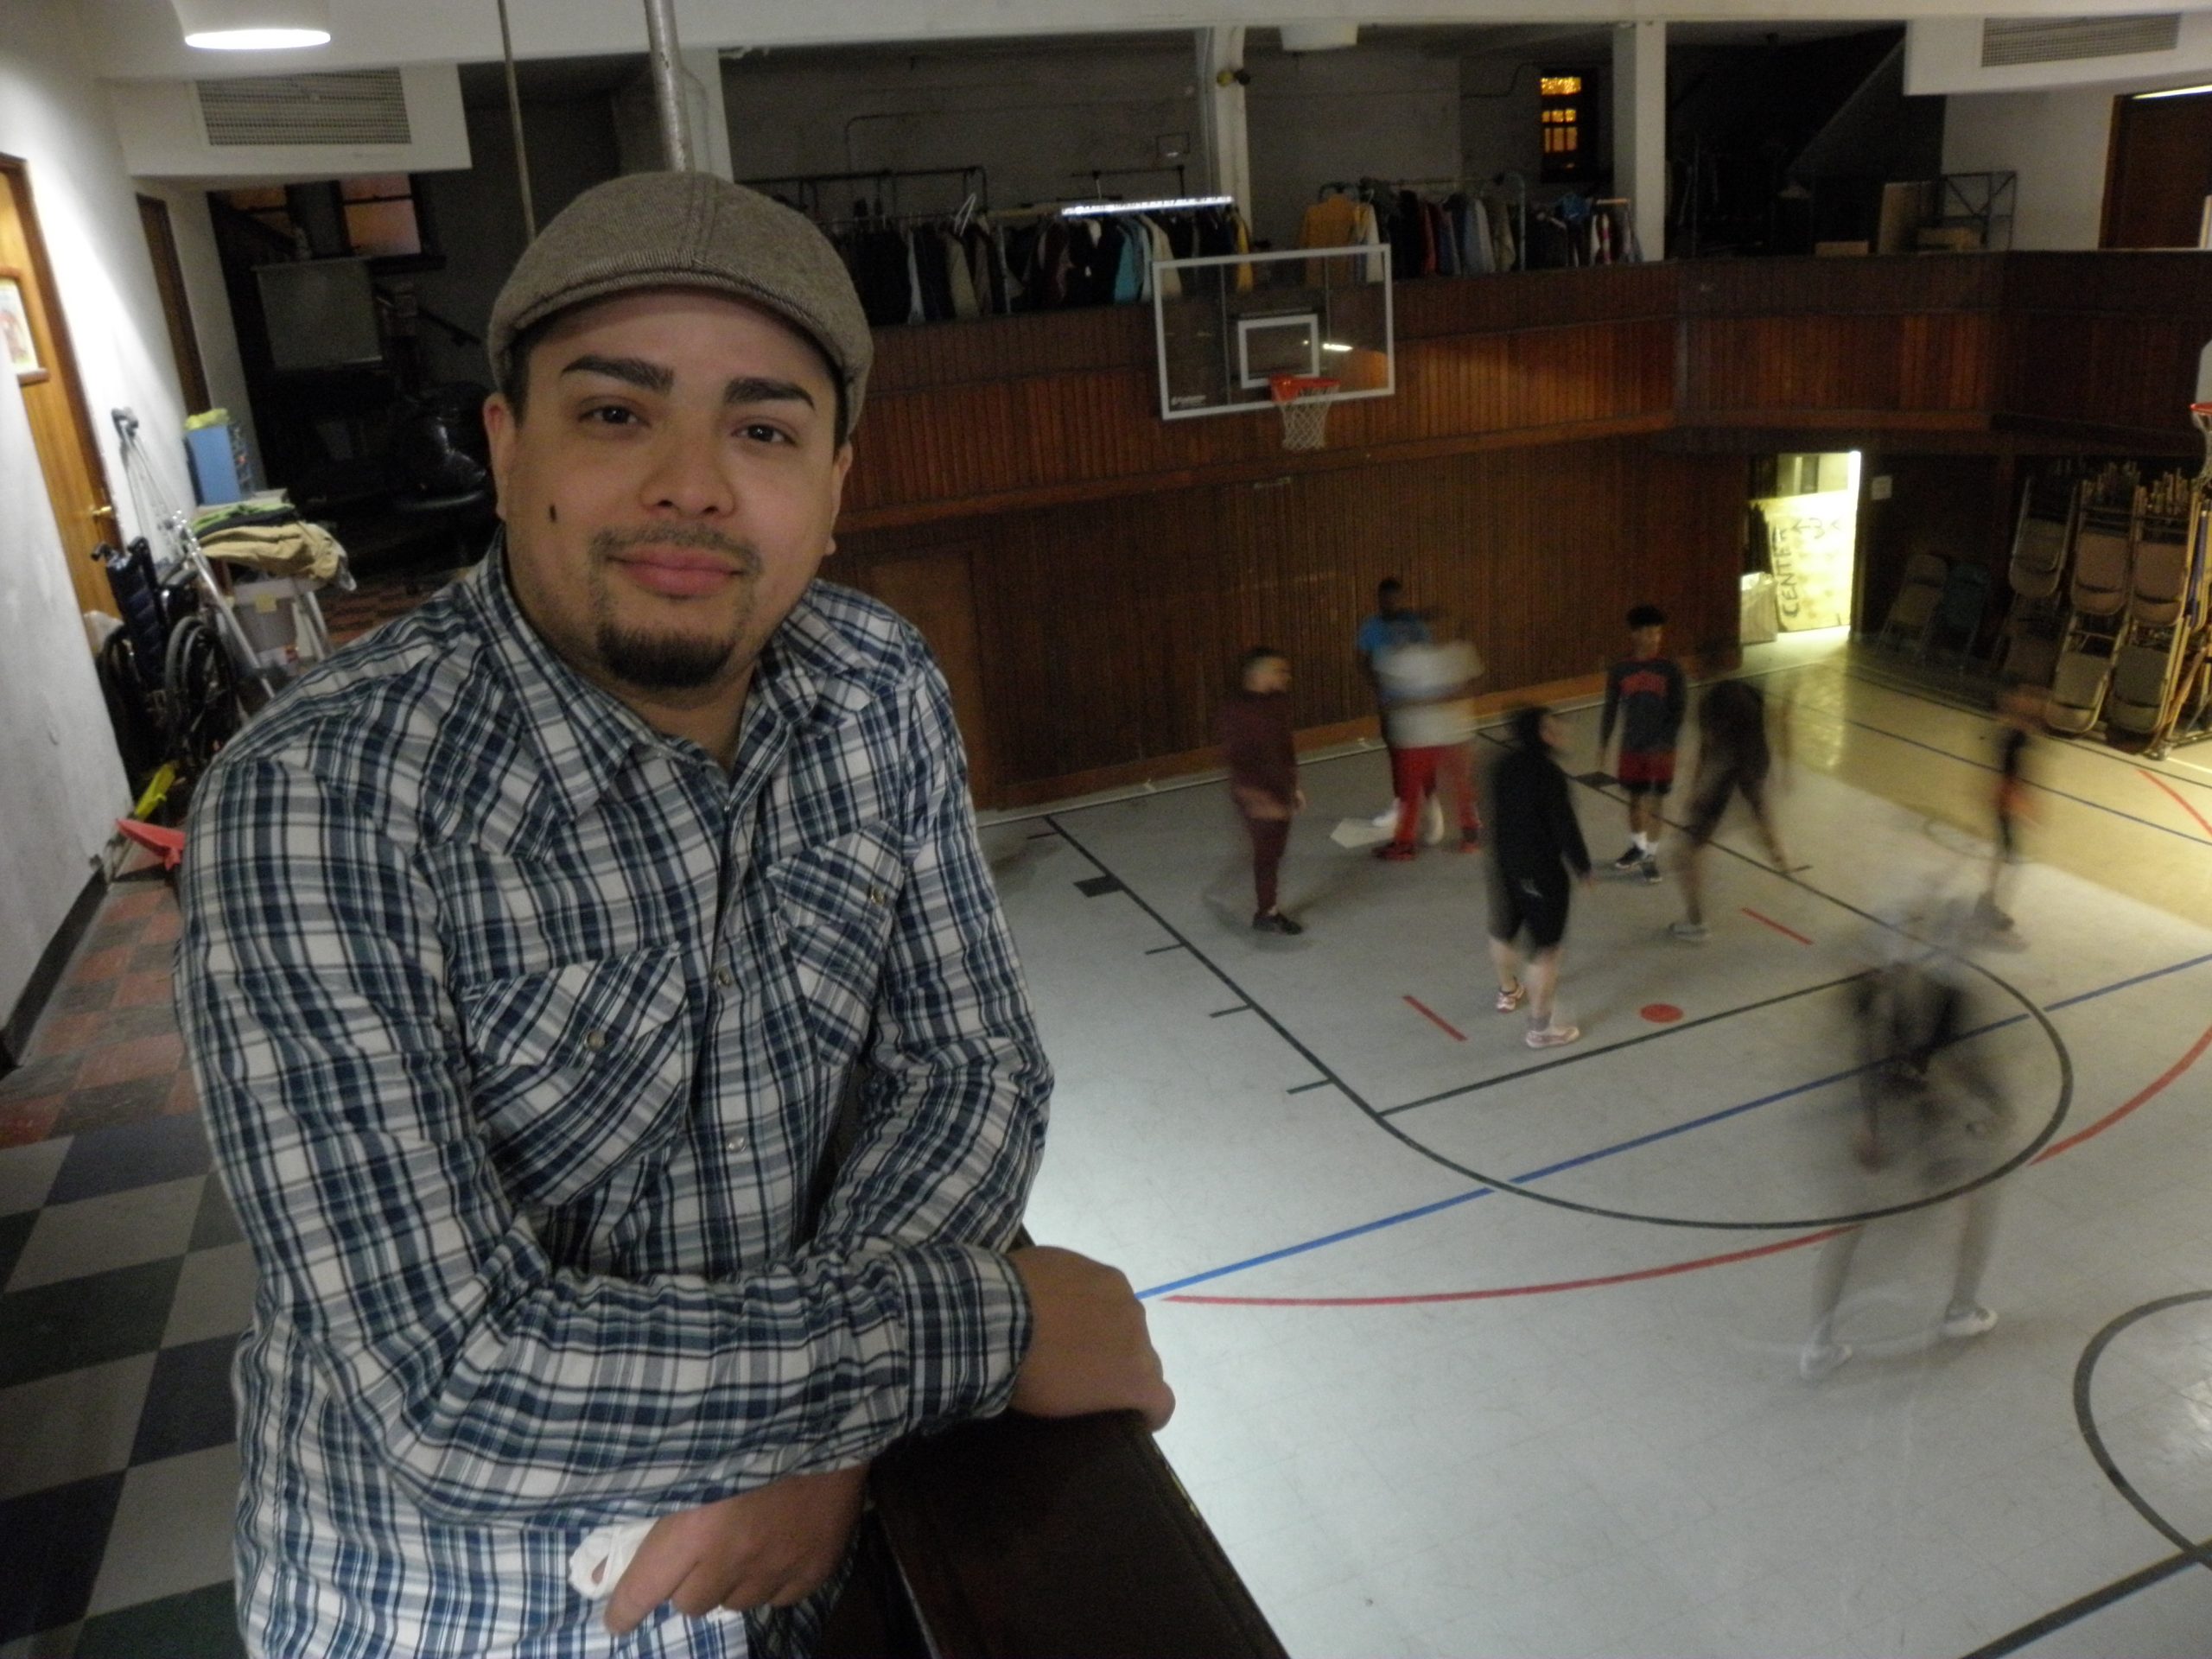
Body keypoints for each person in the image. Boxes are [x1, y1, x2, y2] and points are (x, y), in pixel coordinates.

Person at [176, 172, 1172, 1659]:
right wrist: (988, 1331)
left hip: (809, 1578)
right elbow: (458, 1383)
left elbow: (967, 1070)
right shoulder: (316, 799)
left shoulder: (873, 687)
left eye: (763, 429)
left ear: (834, 488)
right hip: (476, 1617)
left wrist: (818, 1436)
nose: (693, 485)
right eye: (618, 413)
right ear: (507, 452)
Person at [1801, 904, 2009, 1381]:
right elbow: (1966, 1063)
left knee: (1851, 1230)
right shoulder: (1947, 994)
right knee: (1980, 1202)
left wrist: (1866, 1123)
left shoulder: (1867, 990)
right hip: (1916, 1120)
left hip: (1879, 1122)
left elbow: (1861, 1053)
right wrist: (1993, 1106)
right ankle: (1960, 1309)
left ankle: (1818, 1342)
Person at [1484, 706, 1592, 1048]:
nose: (1560, 733)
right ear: (1541, 733)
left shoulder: (1502, 765)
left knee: (1504, 928)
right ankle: (1541, 1028)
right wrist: (1582, 866)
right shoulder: (1548, 774)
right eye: (1553, 727)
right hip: (1541, 871)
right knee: (1546, 948)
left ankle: (1507, 991)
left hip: (1504, 862)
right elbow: (1564, 826)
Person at [1669, 676, 1793, 943]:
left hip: (1729, 770)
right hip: (1754, 763)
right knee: (1759, 809)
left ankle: (1696, 922)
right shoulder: (1751, 695)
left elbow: (1709, 750)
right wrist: (1784, 771)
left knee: (1685, 853)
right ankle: (1780, 859)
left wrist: (1695, 791)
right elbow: (1777, 722)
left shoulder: (1712, 704)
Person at [1370, 632, 1483, 861]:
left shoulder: (1449, 653)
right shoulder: (1448, 653)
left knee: (1425, 790)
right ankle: (1411, 841)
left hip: (1432, 734)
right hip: (1438, 732)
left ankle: (1408, 843)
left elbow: (1392, 697)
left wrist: (1422, 702)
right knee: (1424, 791)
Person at [1219, 646, 1306, 933]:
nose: (1286, 677)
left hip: (1279, 788)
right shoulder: (1237, 709)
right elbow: (1236, 756)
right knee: (1267, 854)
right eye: (1279, 671)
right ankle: (1267, 912)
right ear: (1259, 674)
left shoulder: (1279, 702)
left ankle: (1268, 907)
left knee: (1275, 851)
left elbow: (1285, 747)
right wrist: (1254, 798)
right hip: (1257, 792)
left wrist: (1294, 786)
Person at [1598, 603, 1686, 884]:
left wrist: (1666, 742)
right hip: (1632, 746)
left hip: (1661, 749)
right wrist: (1603, 743)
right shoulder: (1621, 669)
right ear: (1634, 635)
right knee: (1635, 799)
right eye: (1648, 633)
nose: (1654, 639)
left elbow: (1679, 710)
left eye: (1658, 633)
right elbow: (1610, 707)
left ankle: (1651, 856)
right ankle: (1638, 847)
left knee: (1657, 801)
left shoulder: (1670, 668)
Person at [1355, 577, 1442, 839]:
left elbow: (1428, 657)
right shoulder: (1371, 627)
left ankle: (1432, 804)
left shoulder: (1414, 625)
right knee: (1396, 752)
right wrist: (1378, 687)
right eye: (1385, 600)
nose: (1391, 604)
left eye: (1396, 599)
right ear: (1379, 600)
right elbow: (1363, 659)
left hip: (1415, 702)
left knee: (1420, 752)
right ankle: (1400, 802)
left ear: (1402, 599)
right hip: (1390, 702)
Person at [1979, 683, 2044, 933]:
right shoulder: (2015, 737)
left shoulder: (2014, 733)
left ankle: (1989, 900)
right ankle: (1990, 905)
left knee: (2006, 856)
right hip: (2006, 802)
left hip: (2006, 800)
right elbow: (2012, 775)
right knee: (2010, 860)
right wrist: (2023, 805)